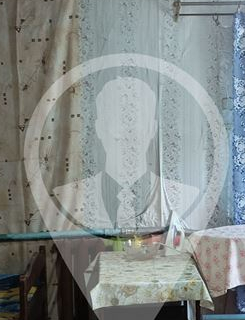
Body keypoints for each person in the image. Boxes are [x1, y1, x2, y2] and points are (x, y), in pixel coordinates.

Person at [53, 76, 198, 233]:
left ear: (152, 128)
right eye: (117, 120)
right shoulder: (68, 197)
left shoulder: (186, 197)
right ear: (99, 128)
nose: (127, 132)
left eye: (138, 120)